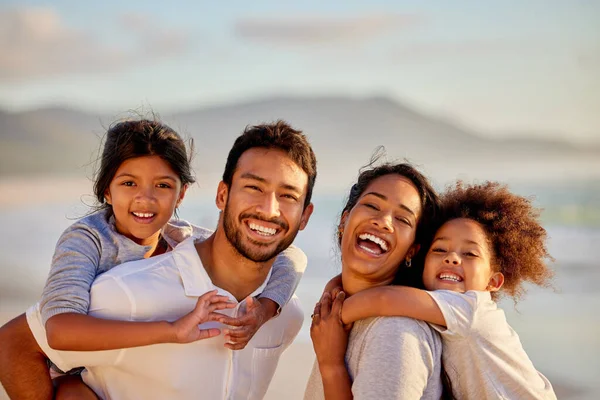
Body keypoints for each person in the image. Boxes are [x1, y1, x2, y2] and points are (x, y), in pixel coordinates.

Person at [0, 119, 315, 399]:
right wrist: (170, 330)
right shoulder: (90, 246)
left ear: (181, 195)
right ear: (105, 191)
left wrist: (265, 309)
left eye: (162, 185)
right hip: (68, 369)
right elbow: (41, 334)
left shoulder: (181, 237)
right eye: (128, 183)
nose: (145, 198)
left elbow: (288, 255)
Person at [337, 181, 557, 399]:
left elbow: (384, 298)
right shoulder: (437, 309)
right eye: (440, 249)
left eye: (470, 254)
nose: (451, 258)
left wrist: (337, 316)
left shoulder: (472, 309)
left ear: (493, 282)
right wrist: (336, 286)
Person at [305, 162, 444, 400]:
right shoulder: (338, 316)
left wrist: (331, 367)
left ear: (412, 250)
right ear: (344, 220)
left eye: (403, 219)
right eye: (372, 205)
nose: (383, 221)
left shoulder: (396, 333)